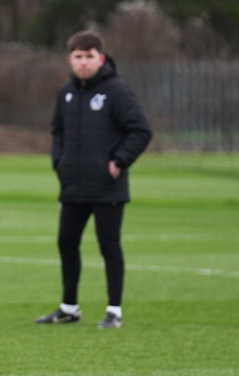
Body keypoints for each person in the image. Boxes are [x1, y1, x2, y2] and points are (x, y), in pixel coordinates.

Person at [35, 30, 152, 329]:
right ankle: (69, 308)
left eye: (89, 56)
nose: (83, 62)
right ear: (70, 59)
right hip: (72, 186)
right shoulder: (66, 92)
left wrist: (118, 162)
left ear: (101, 58)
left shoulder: (116, 90)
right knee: (66, 242)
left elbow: (140, 130)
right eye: (78, 56)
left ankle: (114, 311)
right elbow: (57, 131)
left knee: (108, 246)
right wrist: (59, 162)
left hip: (107, 187)